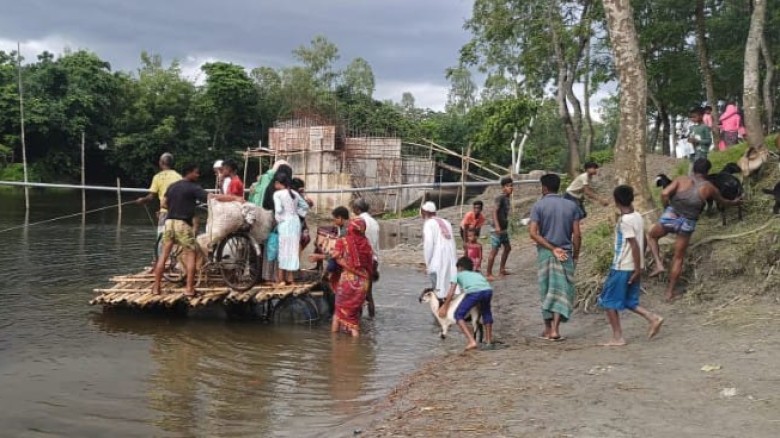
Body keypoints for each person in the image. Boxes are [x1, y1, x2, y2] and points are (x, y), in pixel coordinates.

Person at [647, 158, 742, 301]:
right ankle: (669, 293)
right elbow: (723, 202)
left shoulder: (681, 179)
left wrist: (666, 207)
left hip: (672, 214)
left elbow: (664, 194)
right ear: (707, 172)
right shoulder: (709, 187)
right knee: (678, 258)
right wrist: (735, 202)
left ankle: (659, 264)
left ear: (694, 169)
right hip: (688, 222)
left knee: (651, 236)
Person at [599, 185, 664, 346]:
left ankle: (617, 337)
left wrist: (636, 268)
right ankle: (653, 318)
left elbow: (633, 244)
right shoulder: (637, 216)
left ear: (616, 201)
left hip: (622, 266)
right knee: (629, 300)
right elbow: (642, 239)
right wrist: (640, 264)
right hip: (634, 265)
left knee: (607, 300)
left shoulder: (625, 221)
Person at [528, 173, 582, 341]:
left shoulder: (539, 206)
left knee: (547, 290)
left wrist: (552, 248)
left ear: (544, 187)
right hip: (566, 253)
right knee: (562, 291)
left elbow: (533, 233)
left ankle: (547, 328)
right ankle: (556, 329)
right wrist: (576, 255)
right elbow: (577, 235)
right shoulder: (571, 206)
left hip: (546, 253)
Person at [153, 163, 208, 297]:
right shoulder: (193, 187)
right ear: (189, 173)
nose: (198, 175)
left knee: (164, 256)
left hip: (169, 222)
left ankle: (156, 287)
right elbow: (209, 198)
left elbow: (163, 204)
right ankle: (189, 288)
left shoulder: (172, 186)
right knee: (191, 255)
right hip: (183, 224)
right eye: (196, 172)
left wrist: (174, 207)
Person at [438, 256, 494, 351]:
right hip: (488, 290)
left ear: (460, 268)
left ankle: (472, 341)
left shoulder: (458, 275)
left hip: (474, 292)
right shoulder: (477, 274)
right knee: (486, 313)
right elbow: (483, 284)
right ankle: (489, 342)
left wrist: (445, 306)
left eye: (458, 269)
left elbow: (451, 292)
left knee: (458, 315)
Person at [331, 218, 374, 337]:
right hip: (363, 283)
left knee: (338, 313)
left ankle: (335, 344)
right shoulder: (366, 243)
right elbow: (370, 265)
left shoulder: (342, 241)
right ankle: (355, 343)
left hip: (347, 282)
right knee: (353, 316)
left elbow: (336, 257)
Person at [273, 174, 309, 285]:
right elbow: (306, 206)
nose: (274, 185)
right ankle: (291, 279)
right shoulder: (295, 193)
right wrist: (295, 212)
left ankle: (281, 279)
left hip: (285, 223)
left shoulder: (277, 194)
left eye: (276, 182)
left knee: (283, 250)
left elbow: (278, 209)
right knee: (293, 251)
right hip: (295, 223)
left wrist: (282, 216)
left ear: (279, 183)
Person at [135, 152, 182, 233]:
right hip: (178, 214)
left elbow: (151, 197)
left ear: (161, 163)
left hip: (164, 213)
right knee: (176, 241)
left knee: (162, 240)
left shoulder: (157, 177)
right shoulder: (179, 177)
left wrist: (142, 200)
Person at [421, 201, 458, 300]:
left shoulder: (428, 224)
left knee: (438, 288)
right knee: (448, 286)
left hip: (437, 259)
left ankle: (440, 308)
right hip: (451, 258)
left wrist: (428, 264)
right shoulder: (446, 222)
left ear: (424, 212)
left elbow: (428, 245)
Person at [352, 198, 380, 317]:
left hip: (362, 260)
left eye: (353, 208)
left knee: (357, 293)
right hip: (373, 260)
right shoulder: (374, 222)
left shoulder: (359, 221)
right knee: (369, 294)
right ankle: (371, 321)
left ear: (357, 209)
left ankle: (356, 322)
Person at [486, 177, 513, 281]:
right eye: (508, 186)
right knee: (494, 251)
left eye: (511, 186)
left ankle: (502, 269)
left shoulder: (507, 199)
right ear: (503, 188)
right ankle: (488, 273)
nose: (510, 188)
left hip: (503, 229)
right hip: (496, 229)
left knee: (507, 248)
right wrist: (497, 225)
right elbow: (494, 212)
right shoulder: (500, 198)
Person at [291, 178, 314, 253]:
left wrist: (306, 198)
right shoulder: (293, 195)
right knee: (301, 240)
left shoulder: (300, 195)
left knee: (305, 239)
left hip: (301, 222)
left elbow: (310, 204)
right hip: (296, 223)